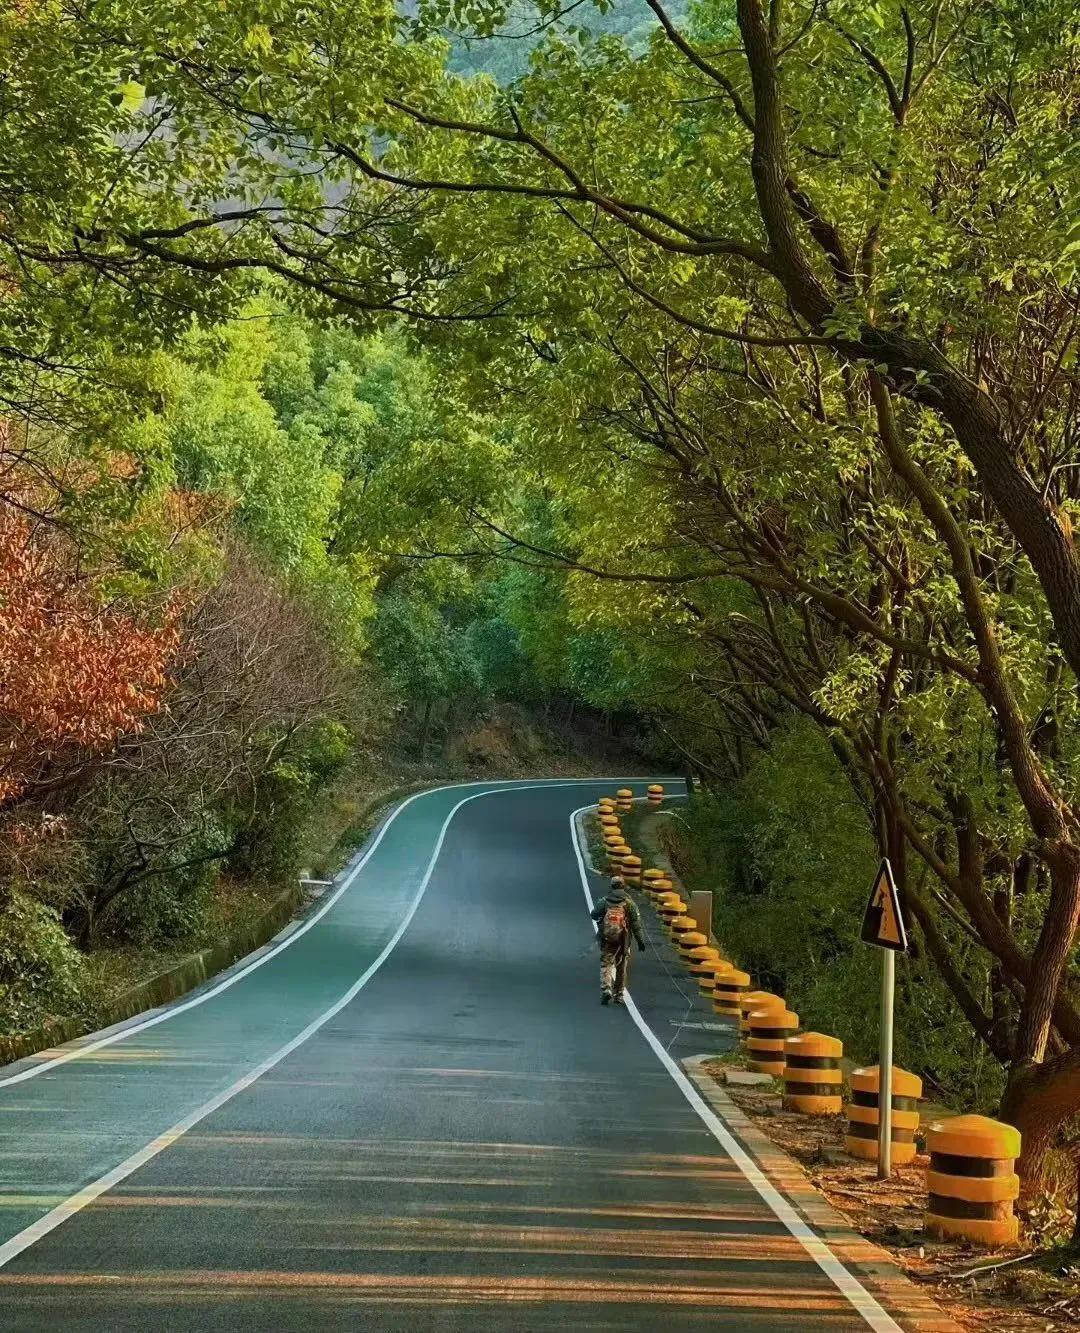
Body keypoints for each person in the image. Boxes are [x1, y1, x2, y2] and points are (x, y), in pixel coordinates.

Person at [590, 876, 646, 1006]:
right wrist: (640, 941)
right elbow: (636, 924)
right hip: (623, 940)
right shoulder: (629, 903)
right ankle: (619, 995)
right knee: (621, 967)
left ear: (611, 886)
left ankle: (606, 989)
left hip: (607, 939)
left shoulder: (604, 901)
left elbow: (594, 914)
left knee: (606, 964)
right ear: (623, 886)